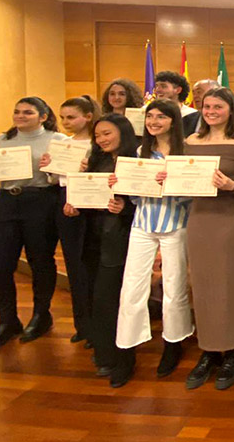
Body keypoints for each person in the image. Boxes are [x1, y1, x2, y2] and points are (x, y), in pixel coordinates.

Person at [112, 99, 194, 385]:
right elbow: (136, 196)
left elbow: (194, 195)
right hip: (143, 224)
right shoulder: (140, 151)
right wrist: (121, 187)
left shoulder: (186, 153)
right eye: (150, 116)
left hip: (176, 224)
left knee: (173, 287)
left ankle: (173, 342)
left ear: (174, 120)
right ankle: (126, 349)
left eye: (161, 116)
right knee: (131, 287)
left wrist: (172, 184)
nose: (154, 121)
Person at [0, 97, 66, 354]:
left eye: (28, 112)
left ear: (43, 116)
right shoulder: (2, 139)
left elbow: (66, 174)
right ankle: (7, 321)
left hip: (40, 201)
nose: (20, 116)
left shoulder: (58, 140)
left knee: (40, 261)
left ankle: (41, 315)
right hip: (6, 202)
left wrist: (52, 168)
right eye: (17, 111)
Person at [183, 87, 234, 391]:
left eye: (218, 106)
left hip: (230, 221)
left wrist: (231, 184)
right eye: (207, 106)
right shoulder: (190, 142)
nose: (211, 111)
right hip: (199, 220)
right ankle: (209, 350)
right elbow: (185, 179)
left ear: (231, 110)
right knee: (201, 286)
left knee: (229, 285)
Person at [71, 115, 138, 386]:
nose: (102, 139)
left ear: (123, 132)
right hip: (92, 239)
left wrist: (126, 208)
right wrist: (73, 205)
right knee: (97, 297)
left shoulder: (136, 162)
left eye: (107, 133)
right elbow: (85, 196)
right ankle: (104, 352)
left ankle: (122, 357)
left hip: (121, 241)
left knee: (111, 299)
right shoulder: (94, 162)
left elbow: (145, 202)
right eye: (98, 135)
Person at [41, 96, 97, 346]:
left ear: (88, 116)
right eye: (62, 118)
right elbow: (56, 181)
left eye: (71, 117)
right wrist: (50, 168)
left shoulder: (99, 142)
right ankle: (83, 324)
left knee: (94, 266)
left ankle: (100, 324)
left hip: (93, 203)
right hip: (67, 202)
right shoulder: (63, 144)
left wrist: (88, 171)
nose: (66, 122)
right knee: (74, 266)